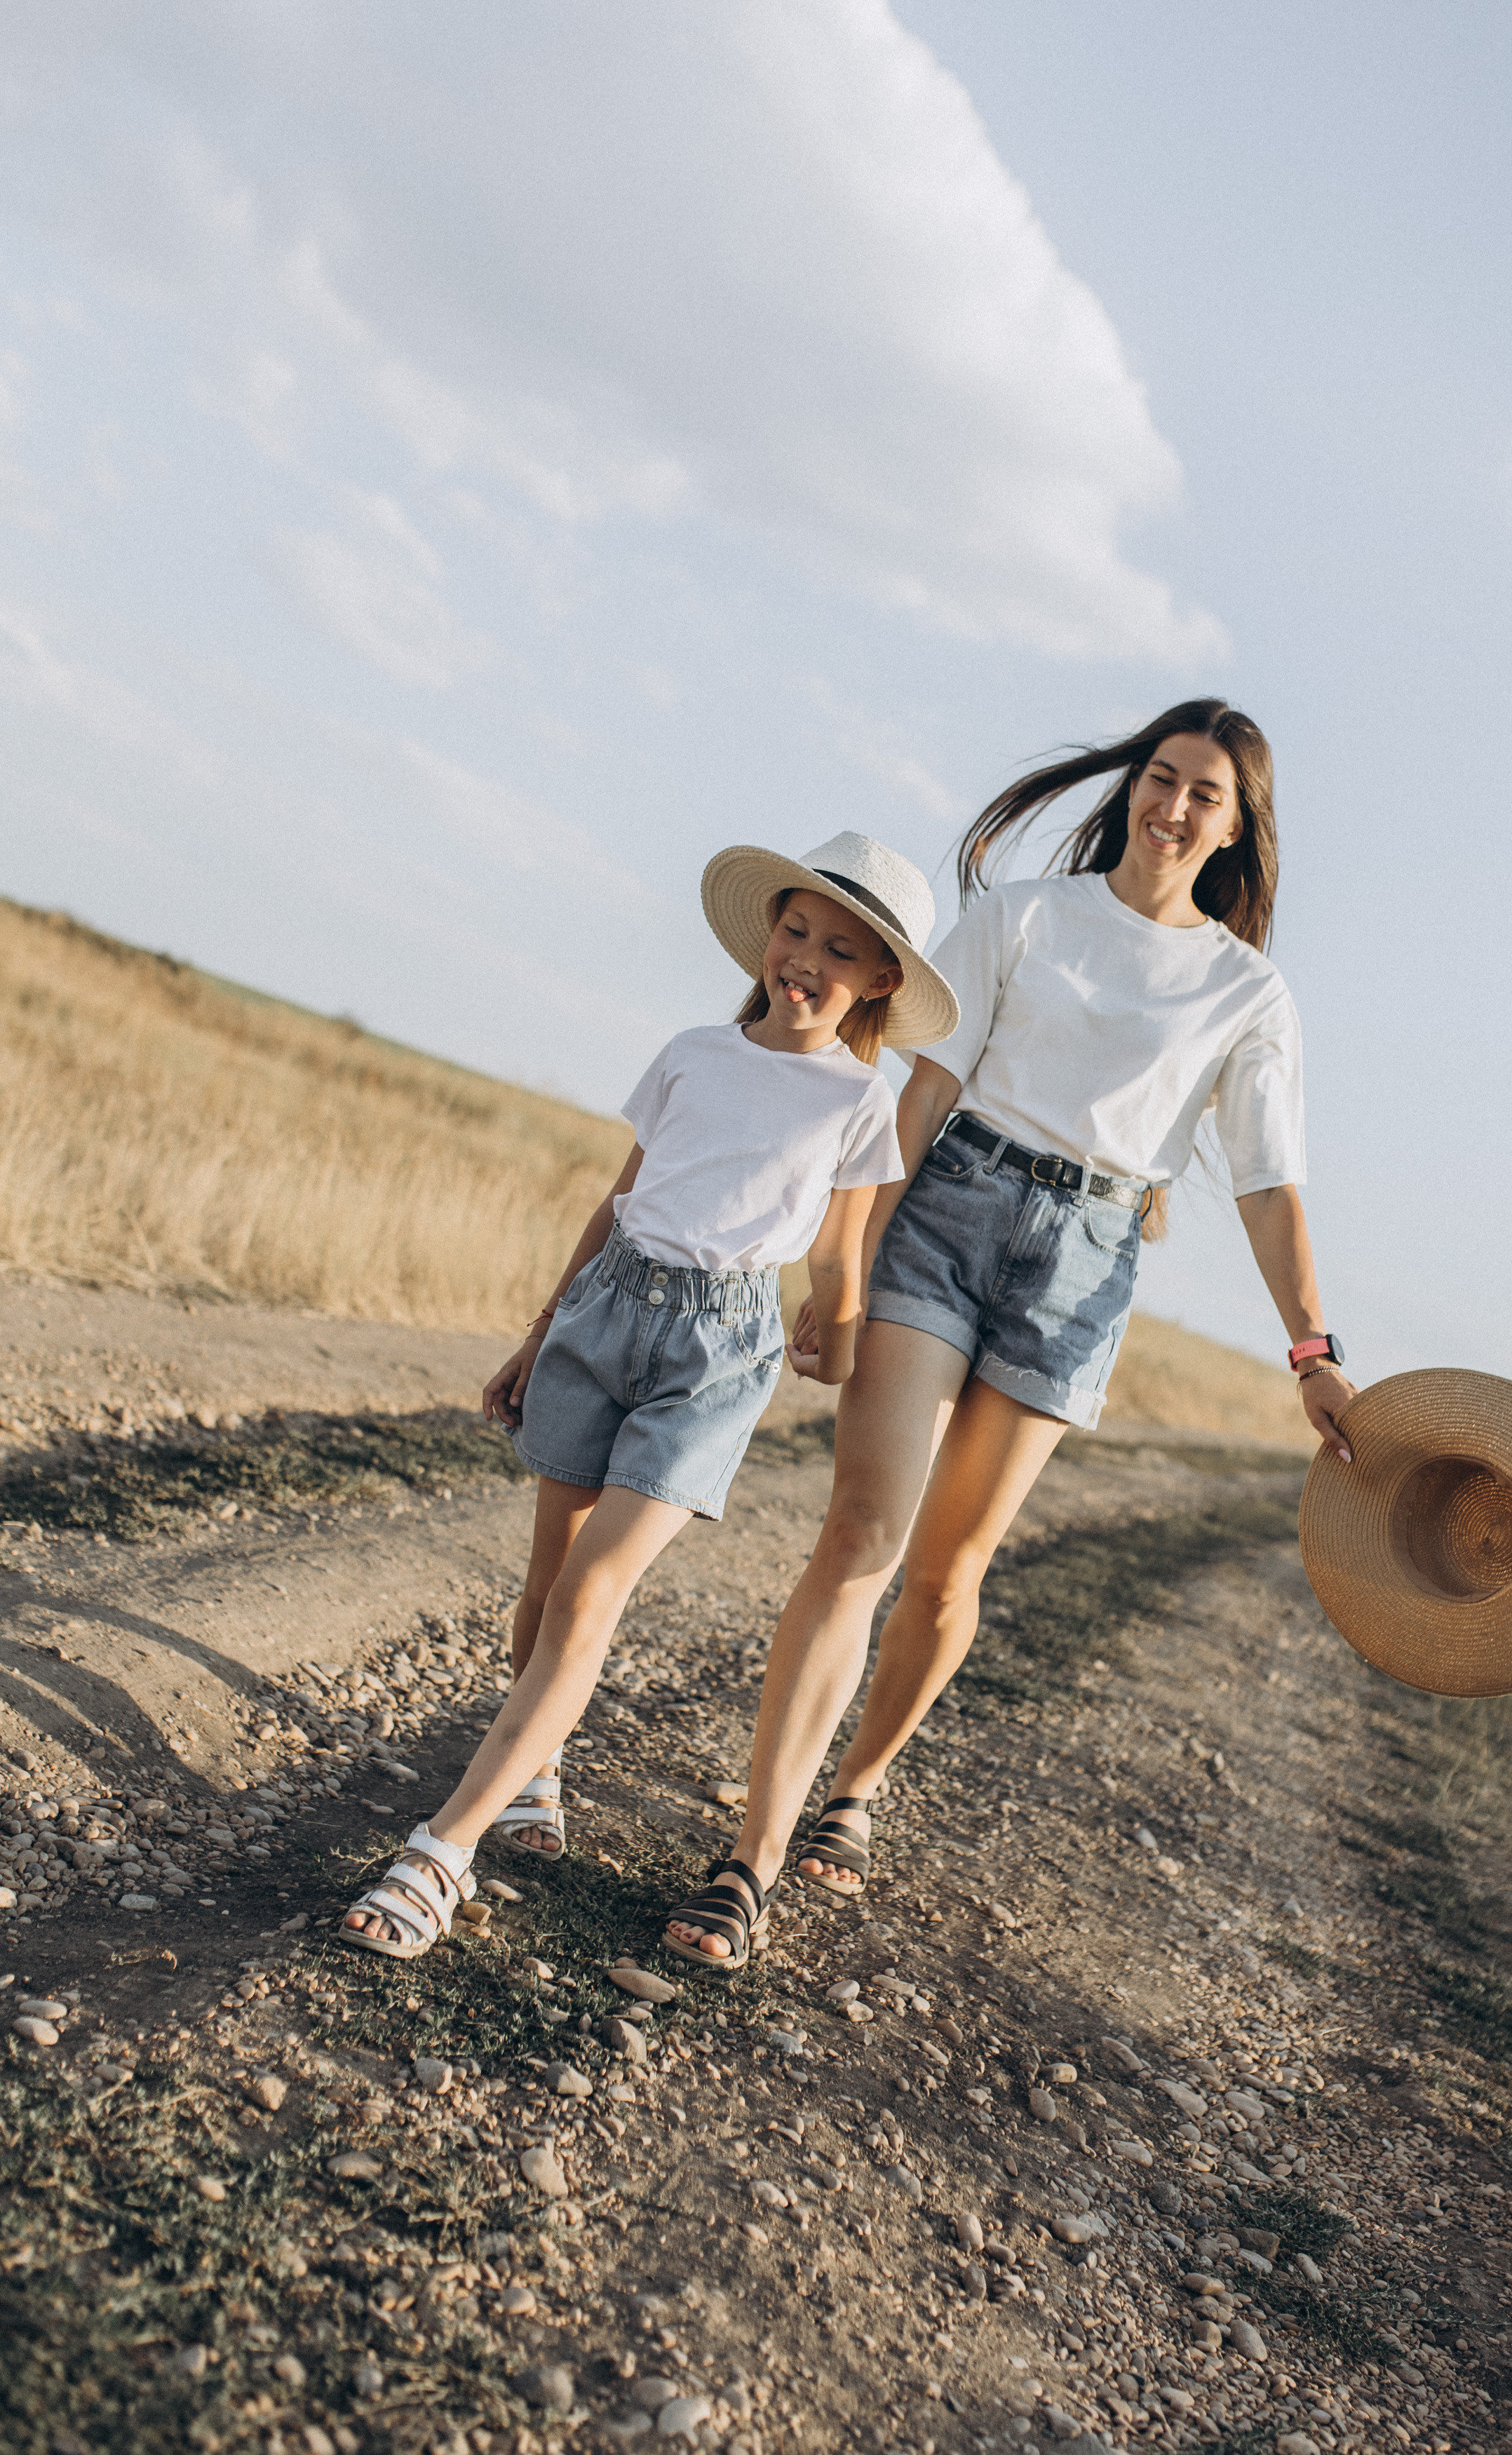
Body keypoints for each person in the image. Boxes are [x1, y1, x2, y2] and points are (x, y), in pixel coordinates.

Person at [664, 699, 1357, 1960]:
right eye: (1160, 777)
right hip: (949, 1212)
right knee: (865, 1534)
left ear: (1237, 827)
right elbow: (921, 1089)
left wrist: (1312, 1352)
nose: (1173, 805)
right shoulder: (1025, 916)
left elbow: (1267, 1185)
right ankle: (750, 1860)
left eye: (1205, 793)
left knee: (949, 1569)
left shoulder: (1247, 995)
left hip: (1083, 1268)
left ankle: (856, 1789)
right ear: (1131, 787)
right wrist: (849, 1267)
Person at [338, 830, 957, 1965]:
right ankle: (534, 1764)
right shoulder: (689, 1054)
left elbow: (842, 1253)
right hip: (604, 1314)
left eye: (840, 950)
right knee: (548, 1577)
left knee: (593, 1591)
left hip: (717, 1352)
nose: (805, 961)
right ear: (767, 935)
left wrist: (843, 1331)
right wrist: (539, 1333)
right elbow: (621, 1203)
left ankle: (441, 1851)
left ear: (880, 980)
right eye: (795, 931)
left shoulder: (858, 1103)